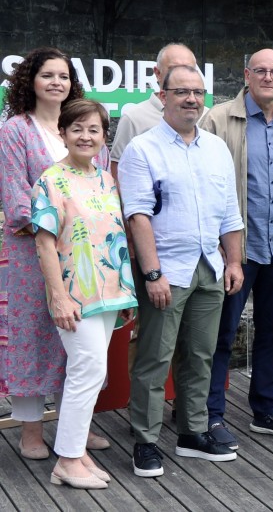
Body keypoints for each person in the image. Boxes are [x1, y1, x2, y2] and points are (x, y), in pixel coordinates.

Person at [120, 64, 245, 477]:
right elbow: (137, 215)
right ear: (163, 94)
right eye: (182, 91)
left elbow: (230, 212)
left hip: (209, 267)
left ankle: (192, 433)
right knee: (154, 359)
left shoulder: (216, 148)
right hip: (167, 271)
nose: (191, 99)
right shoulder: (143, 149)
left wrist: (233, 261)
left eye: (198, 91)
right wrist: (153, 275)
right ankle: (146, 441)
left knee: (199, 356)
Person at [0, 47, 105, 462]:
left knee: (76, 340)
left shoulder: (75, 127)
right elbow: (14, 197)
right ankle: (29, 430)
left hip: (79, 254)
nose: (56, 83)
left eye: (63, 76)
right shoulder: (15, 130)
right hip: (31, 252)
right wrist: (54, 227)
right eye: (47, 75)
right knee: (33, 337)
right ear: (31, 81)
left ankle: (73, 427)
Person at [199, 49, 273, 447]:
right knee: (221, 335)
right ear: (246, 75)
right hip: (233, 252)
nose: (267, 77)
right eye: (259, 70)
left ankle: (265, 408)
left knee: (271, 331)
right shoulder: (216, 119)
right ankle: (210, 415)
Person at [31, 99, 137, 489]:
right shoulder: (50, 180)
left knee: (93, 372)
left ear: (103, 137)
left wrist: (126, 293)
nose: (86, 136)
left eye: (94, 129)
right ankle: (68, 461)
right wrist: (57, 297)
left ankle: (75, 450)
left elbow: (114, 236)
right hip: (74, 296)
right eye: (77, 128)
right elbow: (44, 244)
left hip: (109, 294)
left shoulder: (106, 180)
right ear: (62, 134)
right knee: (86, 370)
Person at [110, 43, 205, 181]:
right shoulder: (134, 118)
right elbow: (119, 174)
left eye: (189, 69)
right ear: (157, 73)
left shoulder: (207, 116)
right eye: (174, 68)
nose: (182, 75)